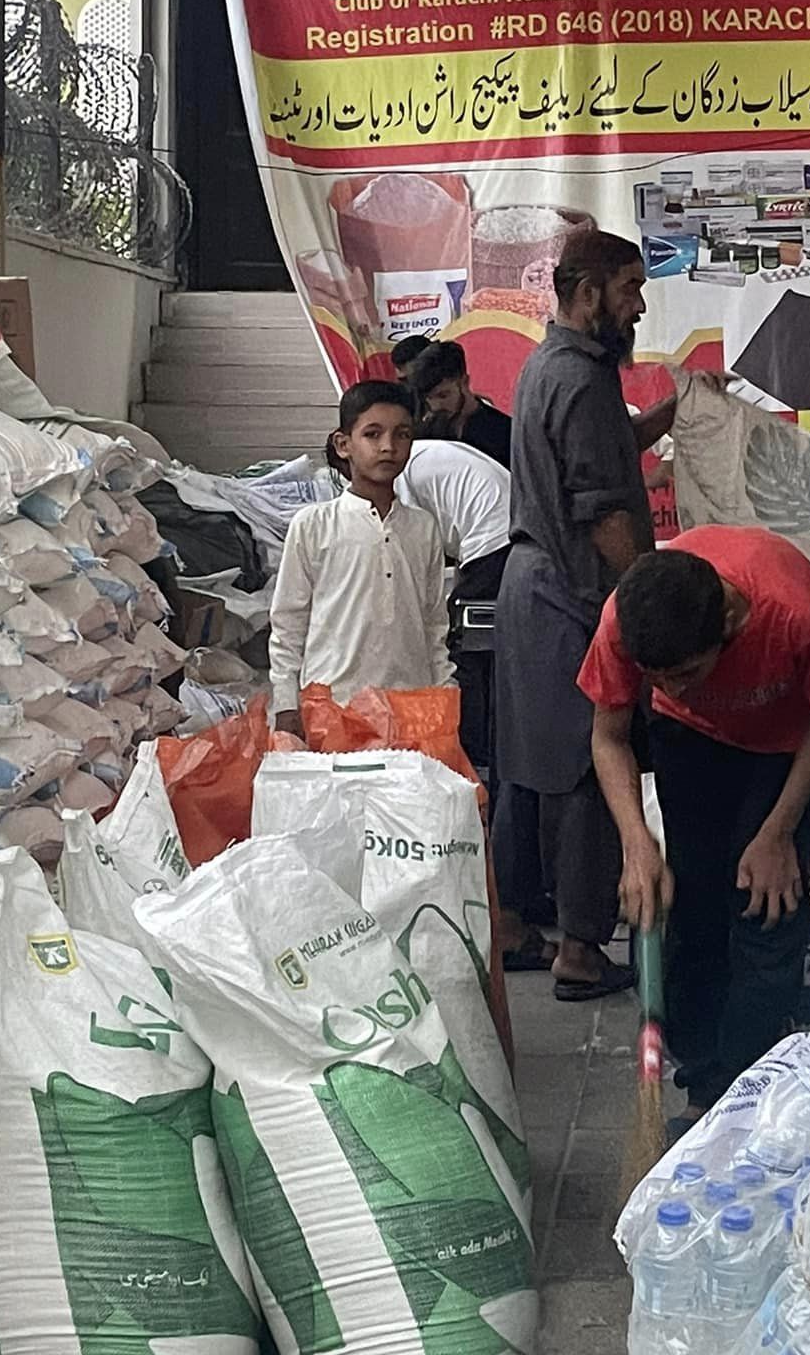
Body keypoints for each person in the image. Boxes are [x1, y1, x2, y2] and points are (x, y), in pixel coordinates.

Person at [580, 527, 810, 1112]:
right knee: (694, 904)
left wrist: (777, 832)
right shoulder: (623, 622)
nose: (672, 687)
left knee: (766, 907)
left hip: (783, 747)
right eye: (658, 678)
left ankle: (751, 1088)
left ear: (728, 625)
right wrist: (637, 843)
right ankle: (704, 1089)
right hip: (691, 742)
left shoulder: (789, 615)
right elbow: (609, 736)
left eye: (687, 673)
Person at [494, 228, 677, 1000]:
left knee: (529, 772)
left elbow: (604, 450)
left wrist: (670, 415)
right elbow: (602, 509)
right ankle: (579, 948)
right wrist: (655, 602)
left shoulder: (555, 366)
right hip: (567, 594)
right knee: (586, 773)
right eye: (630, 289)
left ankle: (510, 925)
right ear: (589, 289)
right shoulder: (582, 379)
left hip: (533, 589)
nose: (638, 305)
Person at [269, 380, 452, 738]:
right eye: (372, 434)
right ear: (343, 444)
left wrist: (445, 700)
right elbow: (288, 625)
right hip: (332, 709)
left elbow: (434, 627)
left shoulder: (423, 528)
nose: (388, 447)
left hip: (411, 713)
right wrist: (285, 706)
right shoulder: (313, 526)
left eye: (401, 435)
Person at [397, 436, 511, 777]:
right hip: (507, 532)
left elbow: (416, 556)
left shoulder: (402, 478)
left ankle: (478, 756)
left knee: (466, 651)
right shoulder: (427, 453)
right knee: (481, 643)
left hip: (494, 539)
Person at [410, 339, 513, 468]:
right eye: (428, 398)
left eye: (443, 395)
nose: (435, 406)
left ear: (464, 382)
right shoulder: (425, 434)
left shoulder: (503, 432)